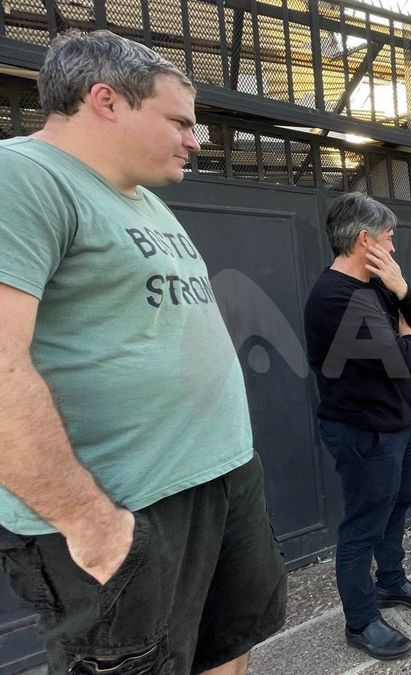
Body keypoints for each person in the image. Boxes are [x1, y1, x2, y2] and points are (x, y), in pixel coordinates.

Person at [0, 30, 285, 674]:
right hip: (128, 505)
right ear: (106, 100)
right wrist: (90, 523)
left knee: (229, 645)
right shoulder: (22, 177)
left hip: (221, 479)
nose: (196, 139)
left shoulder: (148, 200)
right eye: (180, 121)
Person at [304, 192, 411, 660]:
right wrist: (410, 332)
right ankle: (361, 621)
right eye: (388, 238)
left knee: (397, 506)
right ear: (365, 240)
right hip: (364, 433)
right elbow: (408, 359)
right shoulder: (336, 297)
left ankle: (391, 582)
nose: (393, 247)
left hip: (397, 426)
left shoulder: (379, 284)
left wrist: (403, 292)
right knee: (363, 525)